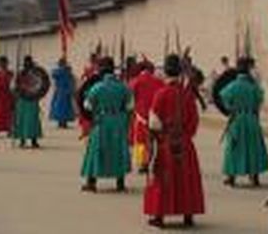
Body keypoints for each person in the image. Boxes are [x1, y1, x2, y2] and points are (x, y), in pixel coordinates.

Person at [144, 54, 205, 229]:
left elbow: (154, 123)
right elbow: (194, 122)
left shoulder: (160, 94)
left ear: (165, 72)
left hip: (166, 143)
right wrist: (185, 136)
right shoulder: (187, 96)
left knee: (163, 179)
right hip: (185, 143)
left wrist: (156, 139)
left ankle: (159, 216)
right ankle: (188, 215)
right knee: (186, 178)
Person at [81, 57, 132, 192]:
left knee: (96, 150)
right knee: (118, 150)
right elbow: (130, 106)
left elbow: (87, 106)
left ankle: (91, 183)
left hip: (101, 122)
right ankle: (120, 184)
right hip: (118, 122)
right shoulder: (123, 87)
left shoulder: (97, 87)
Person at [220, 57, 268, 188]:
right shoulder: (253, 86)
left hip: (237, 119)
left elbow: (223, 97)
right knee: (253, 148)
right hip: (251, 118)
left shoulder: (232, 86)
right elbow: (259, 99)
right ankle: (254, 177)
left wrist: (230, 109)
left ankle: (231, 177)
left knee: (233, 148)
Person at [128, 59, 164, 172]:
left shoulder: (135, 82)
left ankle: (143, 164)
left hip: (140, 116)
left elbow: (130, 100)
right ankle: (149, 161)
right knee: (152, 141)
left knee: (140, 141)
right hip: (155, 115)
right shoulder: (159, 82)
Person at [13, 56, 43, 148]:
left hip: (32, 98)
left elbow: (40, 85)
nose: (28, 64)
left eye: (29, 63)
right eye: (26, 63)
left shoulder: (37, 73)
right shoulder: (20, 74)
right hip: (23, 99)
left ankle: (33, 140)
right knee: (22, 119)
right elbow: (16, 87)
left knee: (33, 119)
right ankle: (22, 140)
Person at [77, 53, 100, 139]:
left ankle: (88, 131)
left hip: (93, 91)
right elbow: (84, 78)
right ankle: (86, 131)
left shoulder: (94, 69)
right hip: (89, 90)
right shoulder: (90, 68)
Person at [49, 57, 76, 129]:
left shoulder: (67, 72)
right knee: (59, 107)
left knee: (64, 107)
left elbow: (71, 81)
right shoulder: (60, 71)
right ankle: (61, 122)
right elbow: (53, 74)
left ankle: (63, 122)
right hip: (60, 91)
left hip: (64, 91)